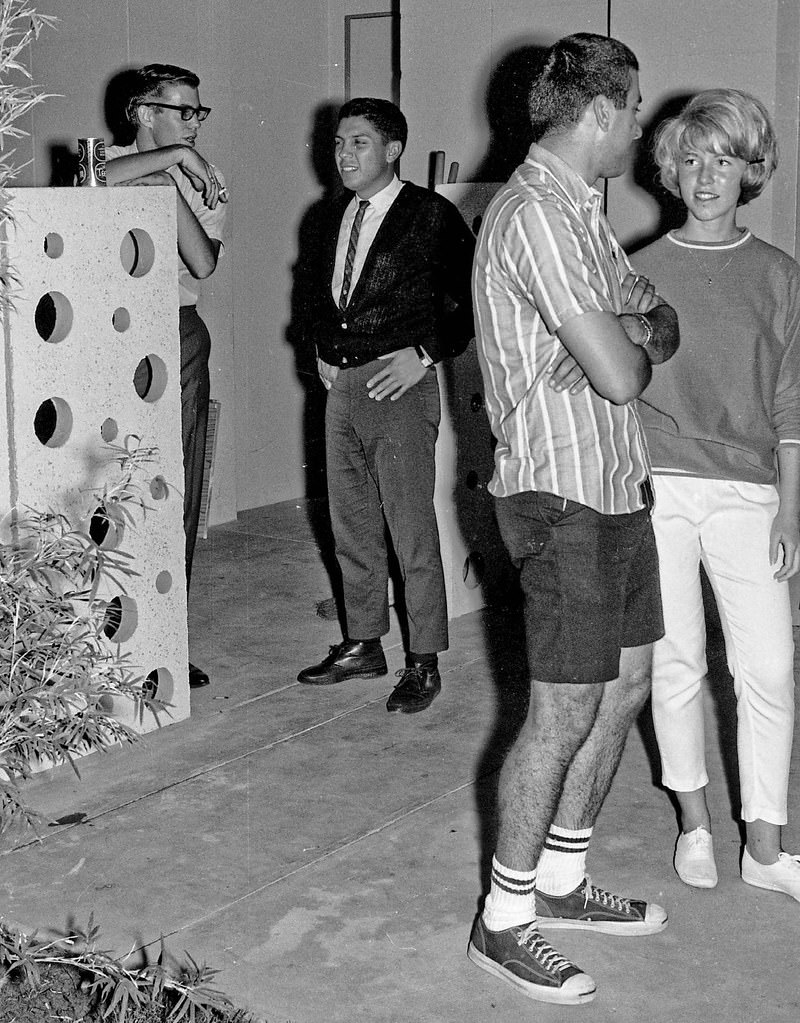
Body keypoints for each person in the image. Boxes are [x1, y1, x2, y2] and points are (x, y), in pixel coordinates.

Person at [470, 33, 680, 1005]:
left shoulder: (582, 213)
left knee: (625, 685)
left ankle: (559, 878)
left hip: (617, 484)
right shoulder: (533, 217)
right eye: (631, 109)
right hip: (559, 498)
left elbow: (655, 321)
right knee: (560, 711)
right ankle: (502, 918)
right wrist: (621, 341)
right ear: (600, 111)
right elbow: (623, 373)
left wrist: (624, 332)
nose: (637, 126)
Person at [633, 89, 800, 900]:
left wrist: (792, 507)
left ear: (749, 170)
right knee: (676, 660)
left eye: (724, 160)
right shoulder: (639, 270)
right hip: (661, 485)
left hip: (748, 491)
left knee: (768, 664)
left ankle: (765, 846)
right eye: (692, 160)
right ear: (671, 170)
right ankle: (695, 824)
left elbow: (791, 401)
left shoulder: (778, 275)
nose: (706, 177)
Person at [296, 97, 475, 714]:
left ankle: (423, 660)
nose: (343, 155)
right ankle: (363, 642)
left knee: (409, 529)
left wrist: (424, 354)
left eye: (359, 143)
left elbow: (470, 300)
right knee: (351, 524)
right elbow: (313, 293)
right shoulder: (328, 216)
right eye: (338, 143)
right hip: (340, 385)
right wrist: (319, 347)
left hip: (398, 385)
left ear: (393, 149)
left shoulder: (430, 215)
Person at [106, 64, 227, 689]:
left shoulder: (206, 179)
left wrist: (168, 182)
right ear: (143, 113)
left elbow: (202, 263)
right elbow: (97, 180)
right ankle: (110, 639)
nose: (194, 124)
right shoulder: (104, 161)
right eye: (183, 112)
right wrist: (172, 159)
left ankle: (166, 639)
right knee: (111, 485)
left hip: (175, 332)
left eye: (198, 112)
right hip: (109, 336)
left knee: (172, 488)